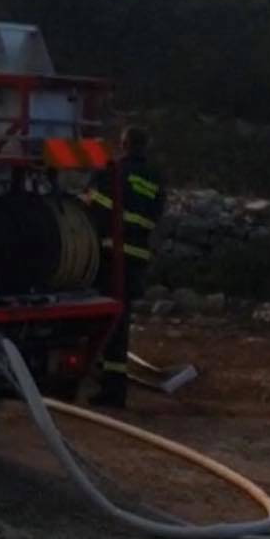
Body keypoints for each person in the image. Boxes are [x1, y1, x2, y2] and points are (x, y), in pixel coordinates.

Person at [88, 124, 168, 408]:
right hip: (136, 257)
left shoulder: (114, 172)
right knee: (121, 322)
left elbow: (96, 208)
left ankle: (111, 389)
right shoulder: (155, 177)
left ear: (124, 144)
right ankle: (112, 384)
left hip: (113, 255)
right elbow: (155, 216)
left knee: (107, 323)